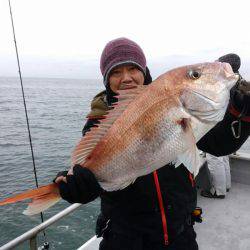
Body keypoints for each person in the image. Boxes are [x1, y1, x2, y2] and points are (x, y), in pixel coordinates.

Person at [54, 39, 250, 250]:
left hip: (181, 234)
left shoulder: (180, 107)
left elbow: (219, 146)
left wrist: (241, 113)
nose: (126, 77)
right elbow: (95, 175)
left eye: (132, 68)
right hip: (125, 240)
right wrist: (77, 186)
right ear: (106, 78)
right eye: (116, 72)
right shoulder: (100, 122)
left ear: (144, 71)